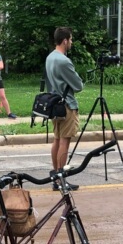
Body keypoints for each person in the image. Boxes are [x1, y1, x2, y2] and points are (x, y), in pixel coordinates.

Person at [45, 27, 84, 189]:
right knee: (64, 142)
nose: (72, 43)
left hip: (54, 104)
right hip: (67, 105)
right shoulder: (63, 61)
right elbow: (78, 85)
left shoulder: (50, 57)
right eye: (71, 39)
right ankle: (61, 179)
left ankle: (56, 177)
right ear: (65, 40)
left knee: (57, 139)